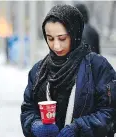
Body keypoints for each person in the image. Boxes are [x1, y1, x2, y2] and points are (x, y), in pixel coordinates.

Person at [20, 4, 116, 137]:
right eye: (50, 38)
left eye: (62, 38)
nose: (56, 46)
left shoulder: (97, 66)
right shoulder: (38, 70)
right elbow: (28, 109)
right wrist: (34, 125)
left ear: (75, 34)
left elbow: (110, 112)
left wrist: (79, 129)